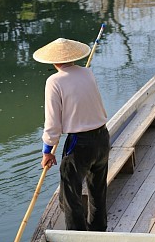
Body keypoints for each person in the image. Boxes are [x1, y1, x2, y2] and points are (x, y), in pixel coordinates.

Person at [33, 38, 110, 231]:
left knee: (70, 196)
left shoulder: (54, 81)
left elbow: (52, 123)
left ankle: (77, 238)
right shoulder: (87, 73)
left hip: (80, 143)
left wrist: (47, 150)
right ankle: (99, 233)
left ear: (53, 61)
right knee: (98, 192)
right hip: (102, 138)